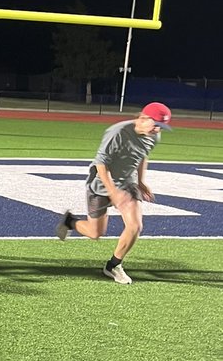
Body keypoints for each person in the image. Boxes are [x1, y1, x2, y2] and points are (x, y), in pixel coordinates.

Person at [55, 101, 173, 284]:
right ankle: (70, 221)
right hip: (101, 184)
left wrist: (141, 181)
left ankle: (113, 265)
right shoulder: (117, 132)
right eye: (156, 125)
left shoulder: (153, 136)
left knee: (135, 226)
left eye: (161, 127)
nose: (157, 130)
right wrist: (113, 192)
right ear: (143, 118)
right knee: (95, 233)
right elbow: (101, 164)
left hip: (128, 183)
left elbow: (142, 155)